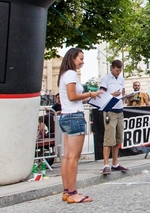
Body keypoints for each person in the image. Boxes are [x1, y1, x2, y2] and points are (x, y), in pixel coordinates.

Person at [58, 48, 98, 203]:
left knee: (67, 156)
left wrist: (87, 97)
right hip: (75, 117)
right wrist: (90, 94)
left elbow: (70, 98)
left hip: (66, 115)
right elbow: (72, 96)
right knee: (73, 157)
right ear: (72, 58)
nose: (82, 62)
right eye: (80, 58)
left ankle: (67, 192)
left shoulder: (64, 74)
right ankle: (73, 193)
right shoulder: (71, 74)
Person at [99, 59, 129, 175]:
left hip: (119, 109)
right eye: (116, 70)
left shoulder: (121, 79)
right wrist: (112, 94)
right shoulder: (106, 79)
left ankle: (115, 163)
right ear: (112, 68)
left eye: (120, 71)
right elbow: (101, 93)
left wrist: (125, 97)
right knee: (109, 138)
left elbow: (123, 91)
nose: (118, 72)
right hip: (110, 110)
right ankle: (106, 164)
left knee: (118, 137)